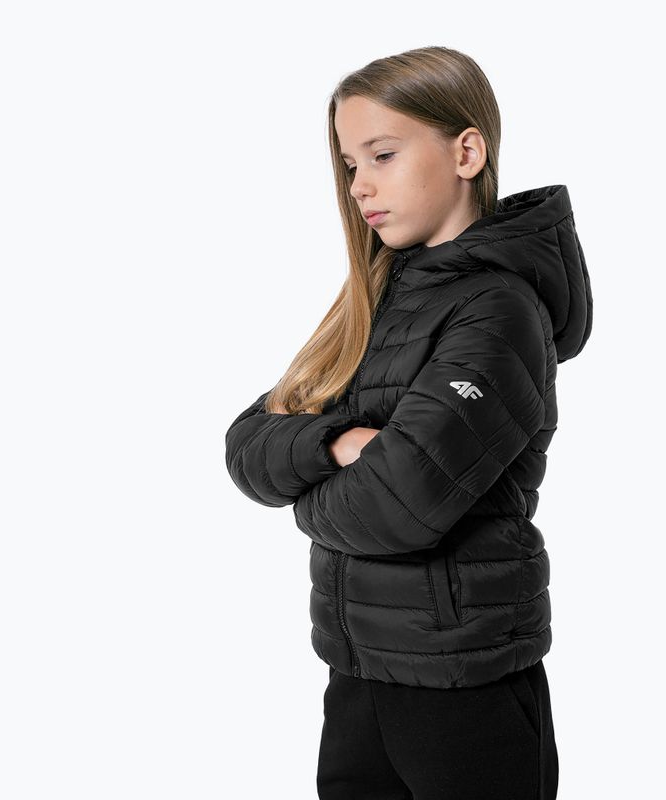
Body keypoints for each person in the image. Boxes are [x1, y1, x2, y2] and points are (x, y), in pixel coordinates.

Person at [225, 46, 592, 800]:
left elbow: (399, 503)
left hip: (465, 687)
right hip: (357, 674)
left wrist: (305, 492)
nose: (359, 185)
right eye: (349, 163)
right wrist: (336, 442)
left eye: (383, 155)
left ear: (466, 152)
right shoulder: (378, 300)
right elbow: (245, 445)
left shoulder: (497, 310)